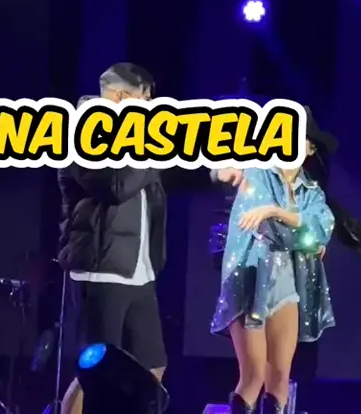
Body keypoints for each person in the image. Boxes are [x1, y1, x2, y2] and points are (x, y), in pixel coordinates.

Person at [57, 62, 236, 414]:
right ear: (120, 97)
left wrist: (215, 173)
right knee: (94, 370)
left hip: (139, 270)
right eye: (145, 101)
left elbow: (170, 171)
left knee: (152, 365)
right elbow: (116, 186)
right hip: (101, 267)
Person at [210, 107, 361, 414]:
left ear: (310, 149)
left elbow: (321, 227)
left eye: (298, 140)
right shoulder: (256, 175)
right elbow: (277, 233)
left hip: (286, 288)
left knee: (280, 377)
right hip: (249, 283)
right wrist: (300, 232)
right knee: (253, 376)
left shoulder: (311, 191)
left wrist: (276, 212)